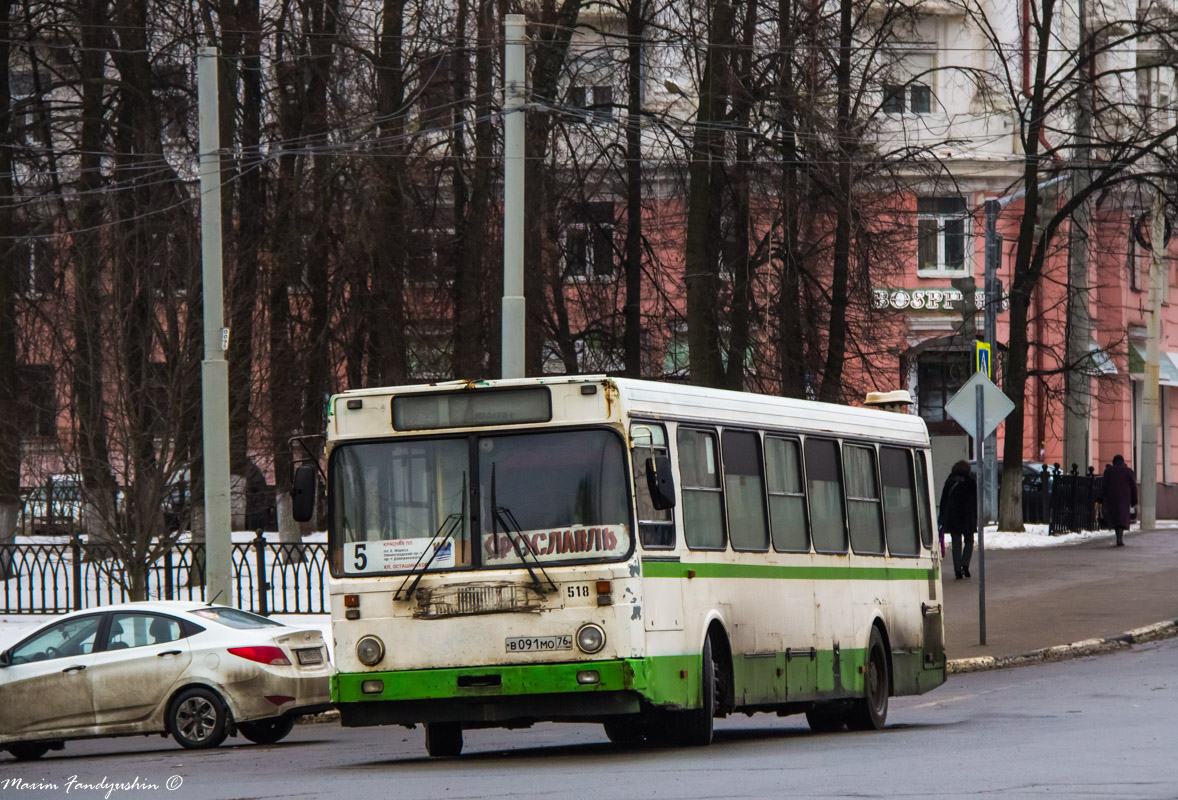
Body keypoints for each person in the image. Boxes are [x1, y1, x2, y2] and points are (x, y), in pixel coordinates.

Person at [938, 460, 977, 579]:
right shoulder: (970, 482)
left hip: (953, 517)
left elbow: (944, 500)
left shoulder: (950, 481)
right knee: (969, 541)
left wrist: (942, 517)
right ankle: (965, 565)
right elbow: (974, 501)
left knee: (956, 543)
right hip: (967, 517)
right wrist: (975, 517)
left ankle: (957, 571)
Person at [1099, 454, 1137, 547]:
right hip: (1125, 497)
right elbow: (1134, 487)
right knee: (1122, 517)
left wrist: (1100, 498)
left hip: (1112, 497)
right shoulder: (1129, 472)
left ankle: (1118, 536)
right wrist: (1134, 500)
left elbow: (1104, 486)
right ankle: (1120, 537)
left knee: (1115, 517)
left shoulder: (1108, 471)